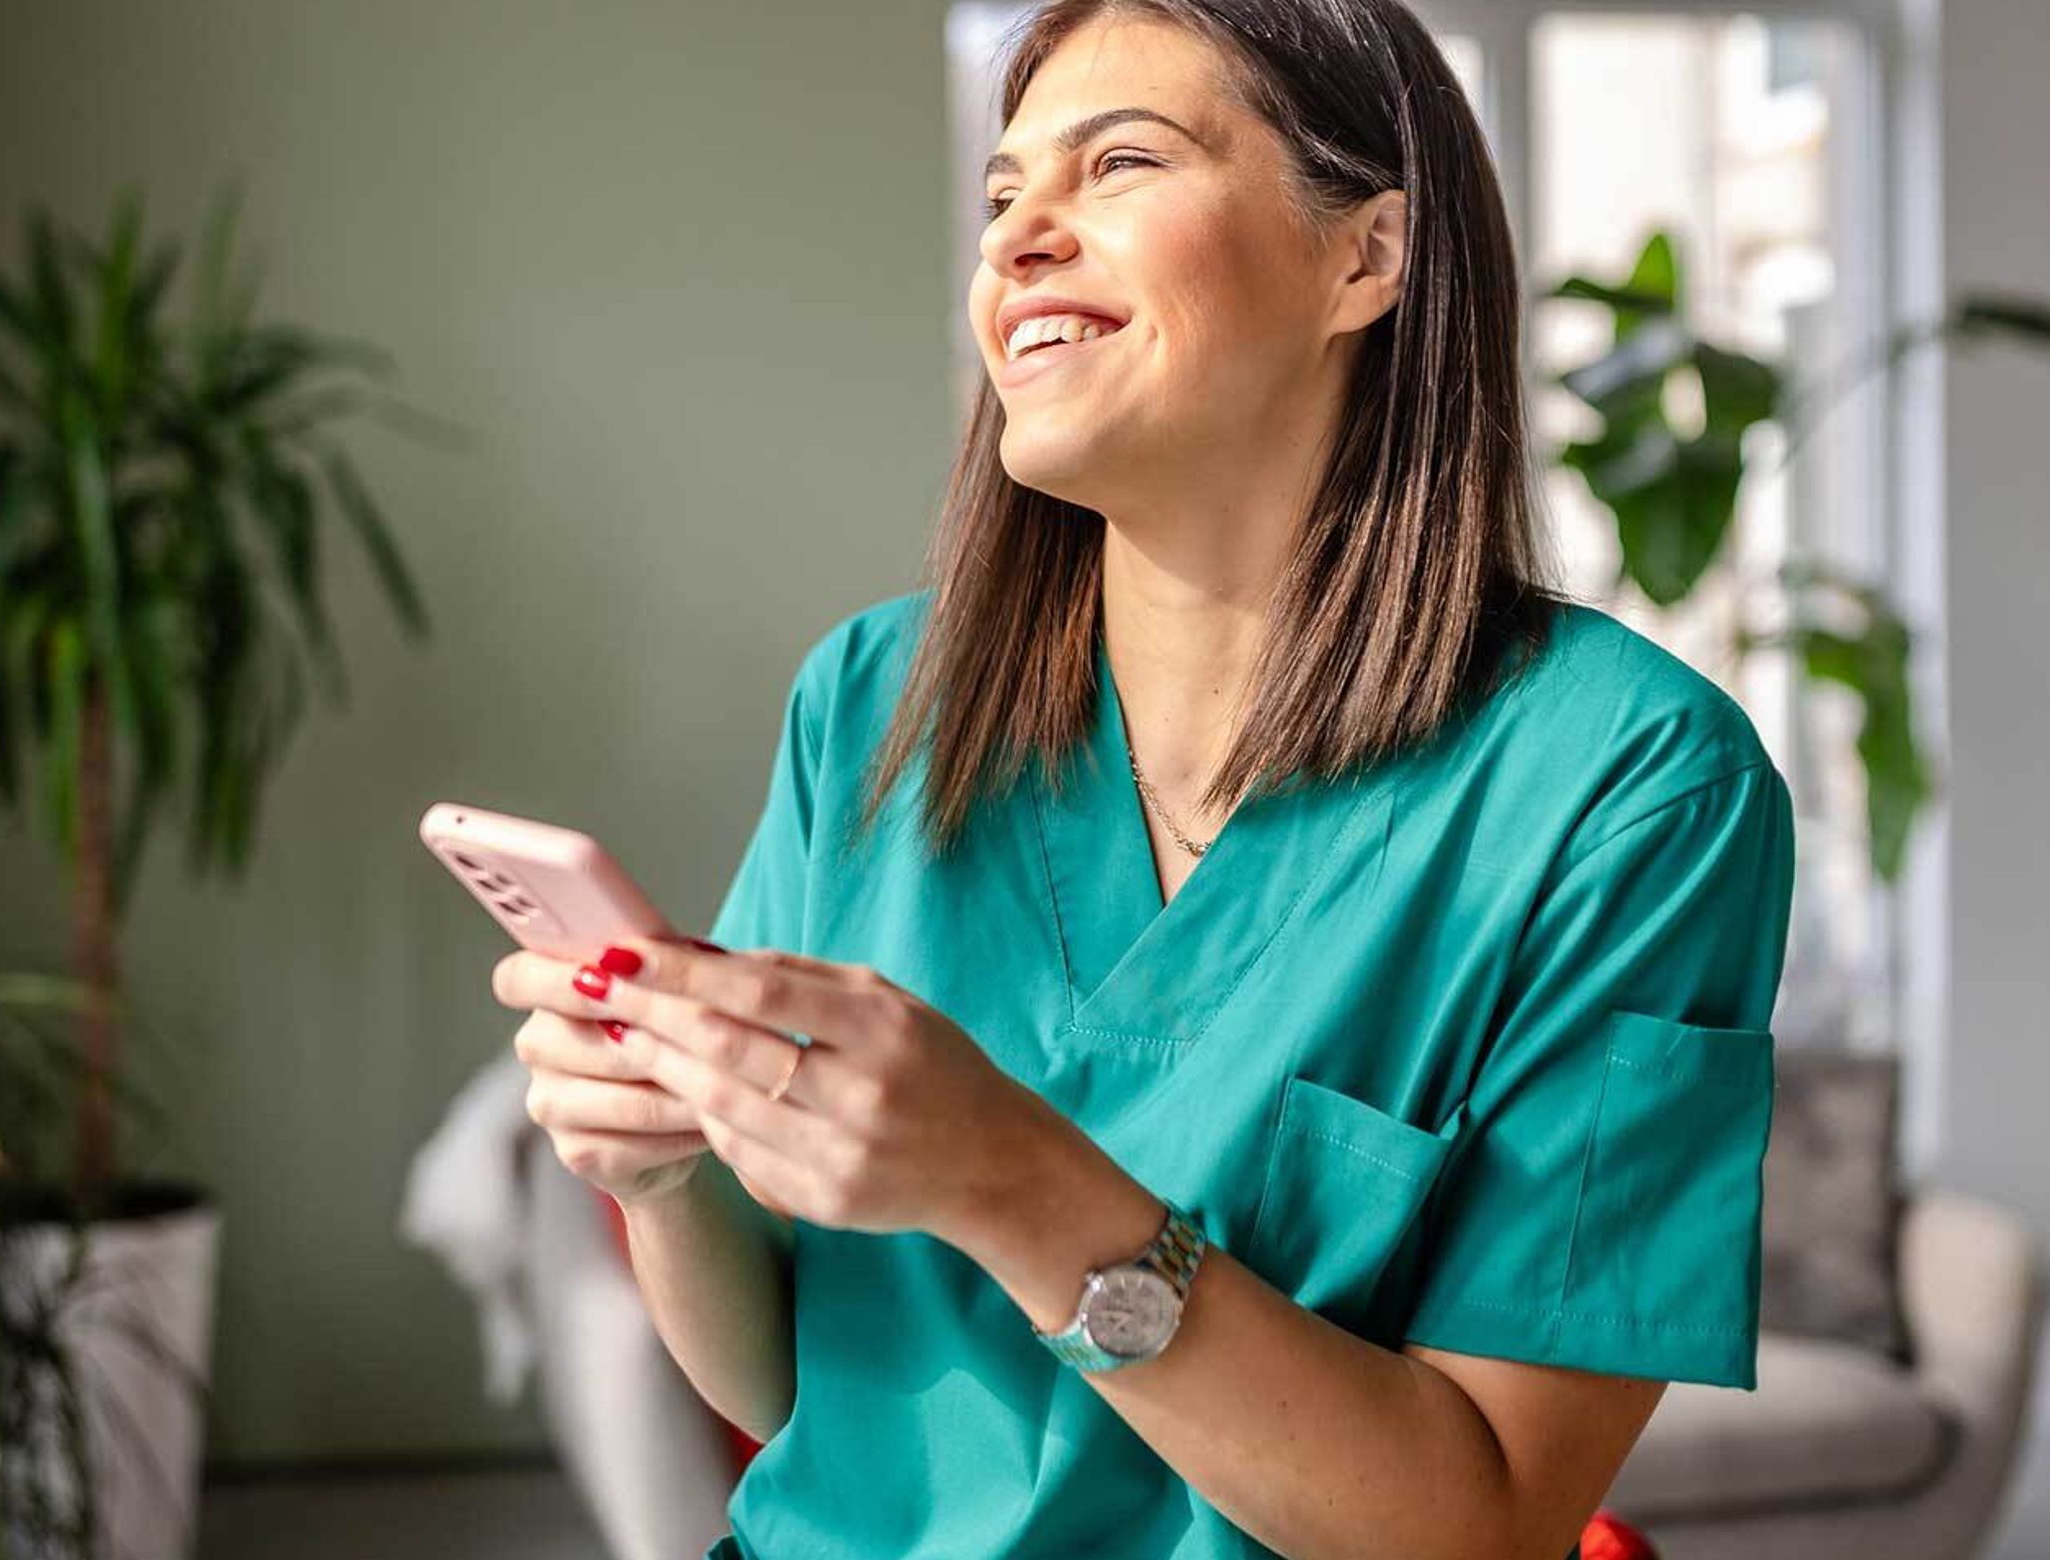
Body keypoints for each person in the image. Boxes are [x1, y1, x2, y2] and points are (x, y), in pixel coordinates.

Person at [486, 1, 1796, 1555]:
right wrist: (662, 1176)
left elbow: (1488, 1523)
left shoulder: (1636, 791)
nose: (1020, 236)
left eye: (1119, 164)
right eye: (1000, 196)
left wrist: (1010, 1179)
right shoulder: (871, 704)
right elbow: (785, 1388)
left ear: (1365, 257)